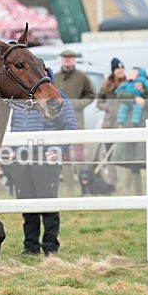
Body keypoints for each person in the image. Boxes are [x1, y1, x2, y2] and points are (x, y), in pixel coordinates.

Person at [10, 68, 76, 256]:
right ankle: (30, 246)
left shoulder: (59, 98)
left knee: (47, 202)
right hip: (21, 158)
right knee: (26, 203)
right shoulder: (21, 102)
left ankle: (50, 246)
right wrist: (13, 150)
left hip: (45, 158)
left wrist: (58, 149)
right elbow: (15, 127)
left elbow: (69, 126)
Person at [55, 49, 95, 193]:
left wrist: (78, 104)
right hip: (59, 122)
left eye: (70, 57)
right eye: (65, 57)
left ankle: (84, 187)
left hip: (77, 120)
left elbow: (90, 95)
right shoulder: (56, 76)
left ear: (74, 60)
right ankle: (68, 188)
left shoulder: (81, 77)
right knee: (64, 155)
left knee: (79, 155)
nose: (67, 60)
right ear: (61, 59)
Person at [95, 58, 126, 189]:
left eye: (121, 68)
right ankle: (112, 182)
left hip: (123, 123)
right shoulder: (106, 85)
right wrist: (107, 106)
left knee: (124, 154)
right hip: (109, 123)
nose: (120, 71)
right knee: (110, 155)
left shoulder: (128, 83)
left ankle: (126, 184)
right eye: (117, 69)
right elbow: (99, 103)